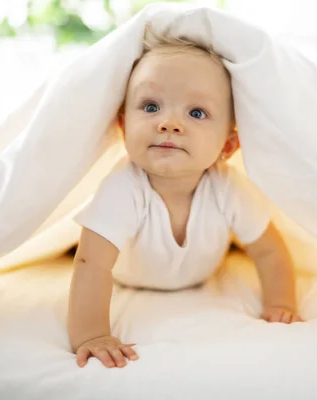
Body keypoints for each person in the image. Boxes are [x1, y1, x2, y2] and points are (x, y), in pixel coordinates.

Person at [67, 27, 303, 369]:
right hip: (128, 276)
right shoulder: (123, 187)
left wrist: (281, 303)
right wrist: (91, 335)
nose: (169, 123)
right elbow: (92, 264)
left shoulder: (228, 187)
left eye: (196, 113)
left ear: (227, 146)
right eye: (150, 106)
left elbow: (268, 250)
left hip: (199, 276)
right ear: (123, 127)